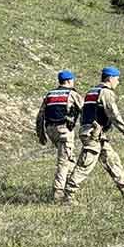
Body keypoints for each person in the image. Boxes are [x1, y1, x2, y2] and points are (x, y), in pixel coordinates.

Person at [62, 66, 124, 202]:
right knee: (85, 165)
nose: (118, 82)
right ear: (110, 79)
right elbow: (114, 115)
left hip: (94, 133)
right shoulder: (106, 93)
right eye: (117, 79)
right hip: (93, 134)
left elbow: (84, 115)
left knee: (113, 161)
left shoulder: (91, 92)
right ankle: (68, 196)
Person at [35, 70, 84, 202]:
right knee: (63, 162)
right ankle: (58, 193)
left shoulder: (49, 94)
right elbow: (84, 110)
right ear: (69, 81)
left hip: (51, 130)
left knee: (69, 158)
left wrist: (41, 134)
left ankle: (70, 186)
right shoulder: (72, 94)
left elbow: (40, 116)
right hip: (64, 130)